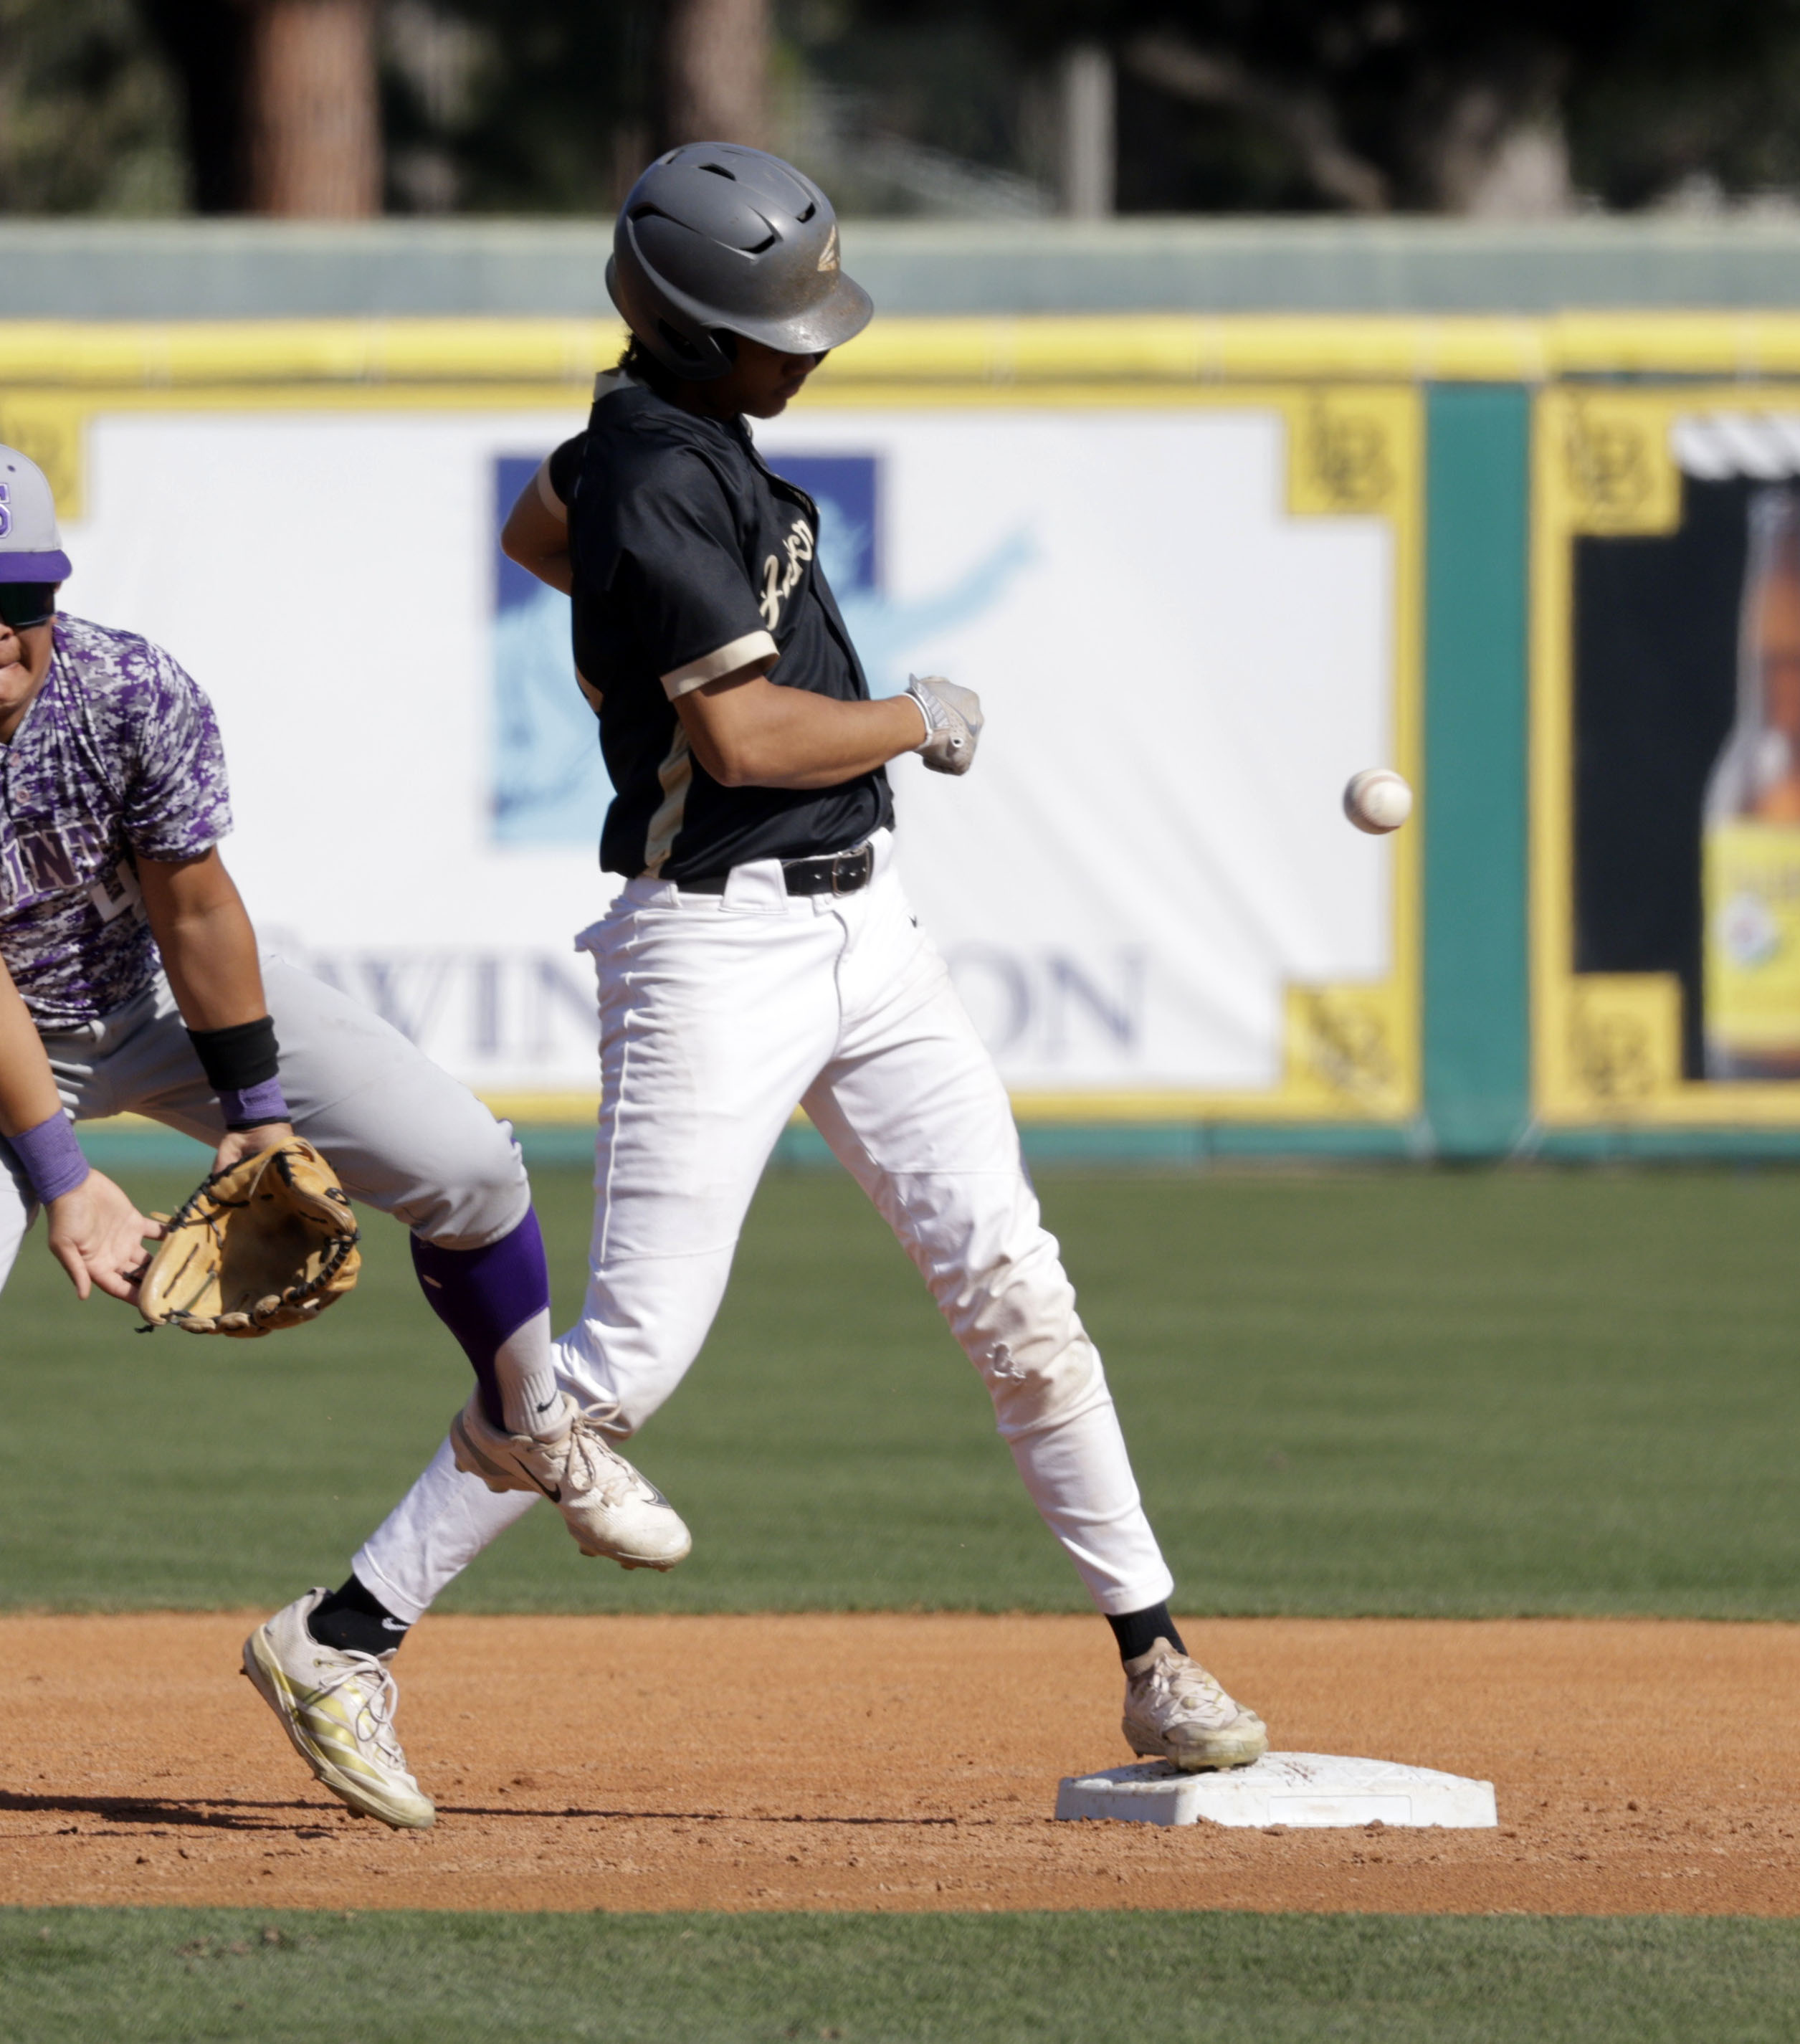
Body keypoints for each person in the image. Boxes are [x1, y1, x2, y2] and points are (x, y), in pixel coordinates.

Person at [306, 143, 1267, 1807]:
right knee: (624, 1359)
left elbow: (548, 520)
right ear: (684, 332)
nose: (813, 342)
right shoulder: (661, 470)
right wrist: (921, 716)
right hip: (720, 944)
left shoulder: (656, 455)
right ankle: (342, 1636)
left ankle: (1154, 1658)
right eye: (779, 322)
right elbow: (743, 738)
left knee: (1017, 1293)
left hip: (867, 931)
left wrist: (622, 586)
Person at [0, 437, 685, 1840]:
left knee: (472, 1167)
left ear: (56, 594)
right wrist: (67, 1184)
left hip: (149, 988)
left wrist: (259, 1119)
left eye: (21, 593)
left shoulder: (130, 688)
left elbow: (196, 908)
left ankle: (536, 1424)